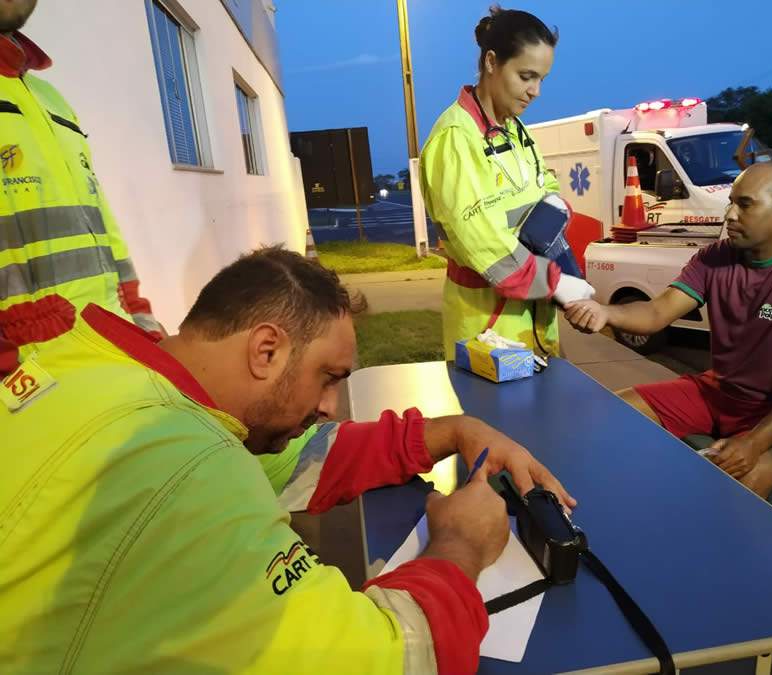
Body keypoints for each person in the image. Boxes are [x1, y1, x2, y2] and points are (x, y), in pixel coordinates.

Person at [0, 246, 575, 674]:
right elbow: (395, 657)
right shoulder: (191, 473)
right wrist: (462, 545)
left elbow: (298, 462)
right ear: (267, 349)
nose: (330, 408)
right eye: (329, 379)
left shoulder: (91, 368)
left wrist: (456, 430)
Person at [564, 162, 772, 499]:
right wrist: (605, 312)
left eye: (745, 204)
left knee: (742, 486)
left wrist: (753, 442)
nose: (730, 214)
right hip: (720, 392)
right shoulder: (715, 257)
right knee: (611, 413)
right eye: (731, 202)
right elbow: (658, 312)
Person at [419, 6, 594, 358]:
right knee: (496, 413)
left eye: (542, 79)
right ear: (491, 62)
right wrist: (556, 282)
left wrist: (554, 210)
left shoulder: (517, 131)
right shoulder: (456, 137)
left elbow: (546, 187)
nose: (536, 91)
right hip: (488, 323)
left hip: (535, 315)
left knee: (546, 409)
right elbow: (480, 239)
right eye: (526, 76)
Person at [0, 0, 161, 376]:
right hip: (26, 384)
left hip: (104, 354)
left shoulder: (49, 97)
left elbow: (99, 219)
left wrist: (140, 322)